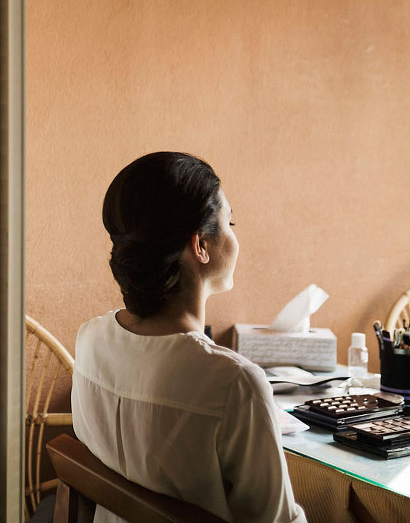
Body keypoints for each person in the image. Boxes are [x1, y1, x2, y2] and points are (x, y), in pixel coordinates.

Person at [71, 152, 306, 523]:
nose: (235, 236)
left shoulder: (90, 339)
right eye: (230, 222)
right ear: (200, 246)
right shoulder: (235, 384)